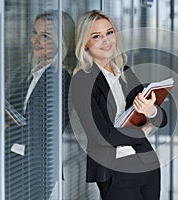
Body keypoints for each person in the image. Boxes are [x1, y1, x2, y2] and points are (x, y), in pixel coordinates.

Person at [70, 10, 167, 200]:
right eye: (96, 36)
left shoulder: (125, 73)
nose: (106, 41)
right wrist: (143, 132)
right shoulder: (82, 80)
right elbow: (101, 136)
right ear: (85, 43)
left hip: (147, 164)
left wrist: (151, 110)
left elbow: (162, 119)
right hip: (115, 172)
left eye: (110, 32)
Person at [5, 10, 75, 199]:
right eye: (34, 33)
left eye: (45, 36)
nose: (35, 40)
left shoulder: (59, 79)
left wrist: (8, 128)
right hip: (20, 162)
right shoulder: (36, 73)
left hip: (34, 168)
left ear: (63, 41)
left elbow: (41, 130)